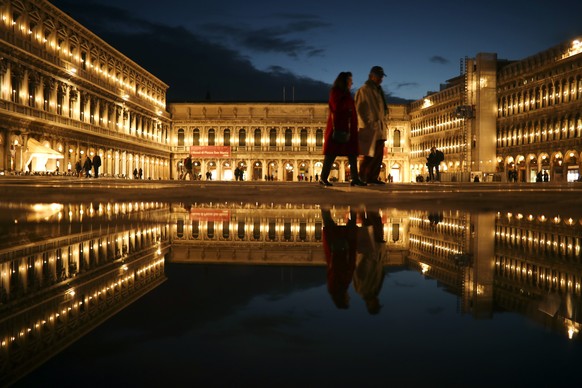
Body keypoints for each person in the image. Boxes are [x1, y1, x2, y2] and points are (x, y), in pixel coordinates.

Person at [320, 71, 366, 187]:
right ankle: (323, 178)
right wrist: (349, 107)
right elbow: (337, 107)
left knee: (352, 153)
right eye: (350, 80)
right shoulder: (336, 92)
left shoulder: (346, 94)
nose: (352, 83)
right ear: (344, 81)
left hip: (349, 127)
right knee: (331, 154)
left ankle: (355, 178)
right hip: (339, 127)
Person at [355, 66, 388, 185]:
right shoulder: (364, 90)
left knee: (378, 155)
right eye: (378, 77)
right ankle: (362, 176)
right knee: (369, 154)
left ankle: (373, 177)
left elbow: (381, 109)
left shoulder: (378, 91)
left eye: (381, 77)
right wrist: (366, 123)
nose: (381, 79)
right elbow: (359, 108)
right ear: (371, 76)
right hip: (370, 127)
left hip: (379, 126)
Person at [321, 207, 358, 309]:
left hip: (341, 250)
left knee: (349, 223)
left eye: (347, 300)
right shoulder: (335, 287)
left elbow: (341, 267)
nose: (349, 298)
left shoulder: (340, 285)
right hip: (338, 249)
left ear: (343, 299)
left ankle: (354, 203)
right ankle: (325, 205)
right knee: (329, 222)